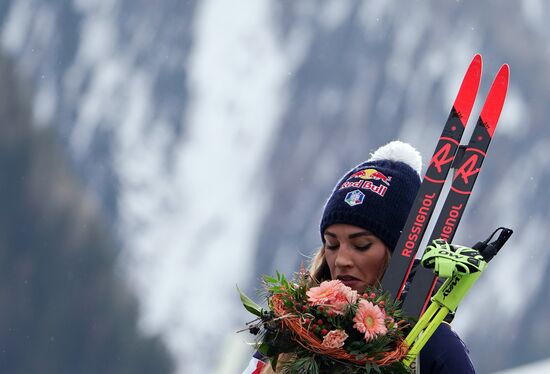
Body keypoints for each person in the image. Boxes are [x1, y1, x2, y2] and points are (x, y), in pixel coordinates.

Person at [242, 140, 475, 374]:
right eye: (331, 244)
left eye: (361, 245)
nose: (341, 259)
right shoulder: (293, 330)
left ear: (399, 252)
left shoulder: (433, 346)